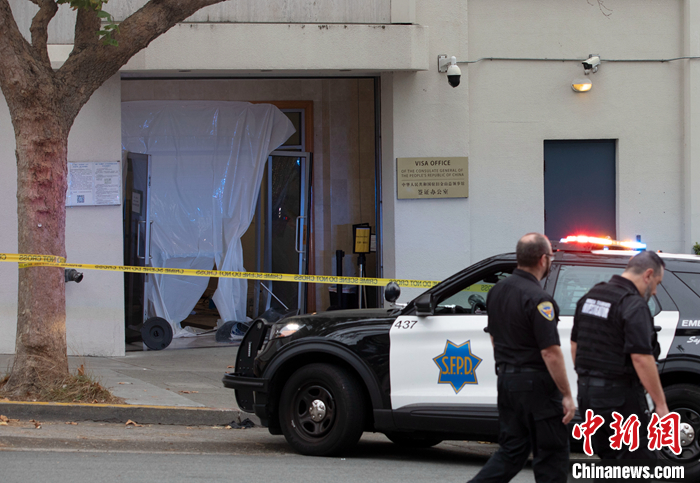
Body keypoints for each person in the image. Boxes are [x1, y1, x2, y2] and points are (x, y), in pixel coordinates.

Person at [468, 233, 576, 483]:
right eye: (551, 257)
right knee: (551, 456)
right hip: (537, 387)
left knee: (511, 452)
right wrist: (567, 394)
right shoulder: (540, 299)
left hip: (507, 381)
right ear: (543, 259)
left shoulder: (497, 292)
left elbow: (494, 337)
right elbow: (550, 352)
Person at [571, 250, 668, 460]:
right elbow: (641, 358)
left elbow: (575, 345)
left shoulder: (590, 297)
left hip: (587, 396)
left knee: (610, 461)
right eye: (657, 283)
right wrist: (661, 405)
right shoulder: (633, 304)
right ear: (648, 275)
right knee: (639, 463)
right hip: (619, 398)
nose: (655, 292)